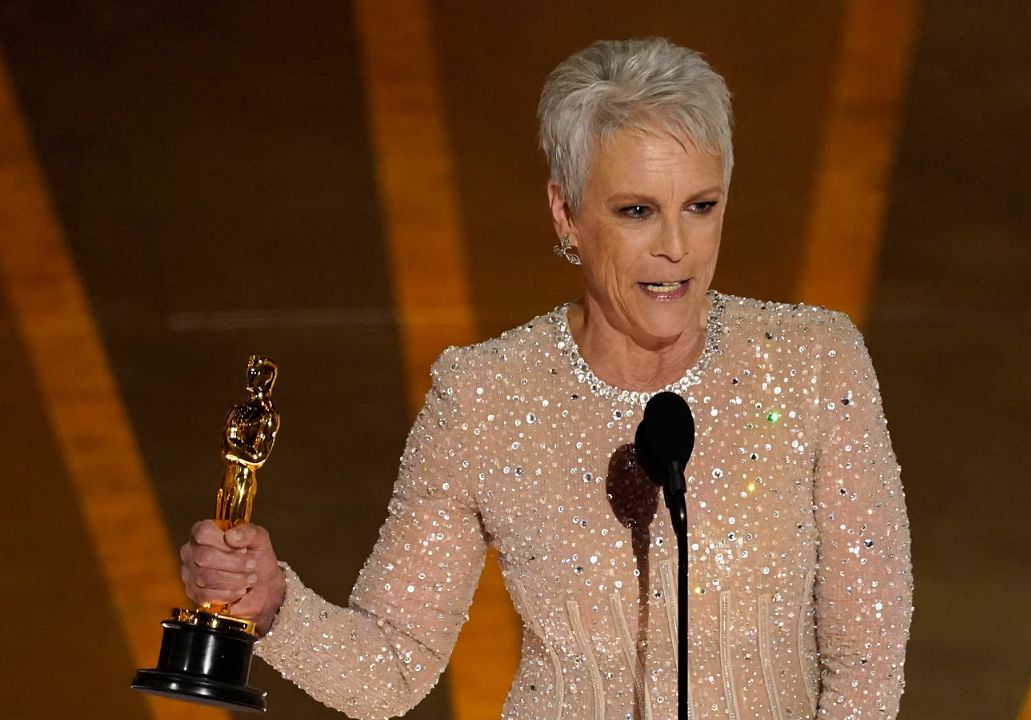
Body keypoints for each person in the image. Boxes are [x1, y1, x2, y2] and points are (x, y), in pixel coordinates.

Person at [180, 37, 912, 720]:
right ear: (566, 213)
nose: (676, 248)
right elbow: (392, 665)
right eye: (636, 211)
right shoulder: (484, 397)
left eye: (701, 206)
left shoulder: (813, 362)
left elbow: (867, 659)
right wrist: (274, 606)